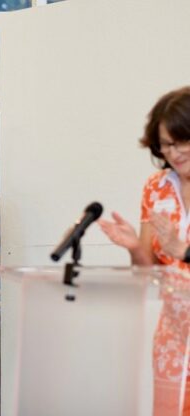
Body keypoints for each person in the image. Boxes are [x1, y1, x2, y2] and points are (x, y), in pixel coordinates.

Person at [99, 86, 190, 413]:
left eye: (180, 140)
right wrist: (135, 247)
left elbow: (180, 252)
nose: (174, 153)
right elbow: (149, 270)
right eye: (165, 144)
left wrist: (184, 251)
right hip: (173, 338)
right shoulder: (156, 187)